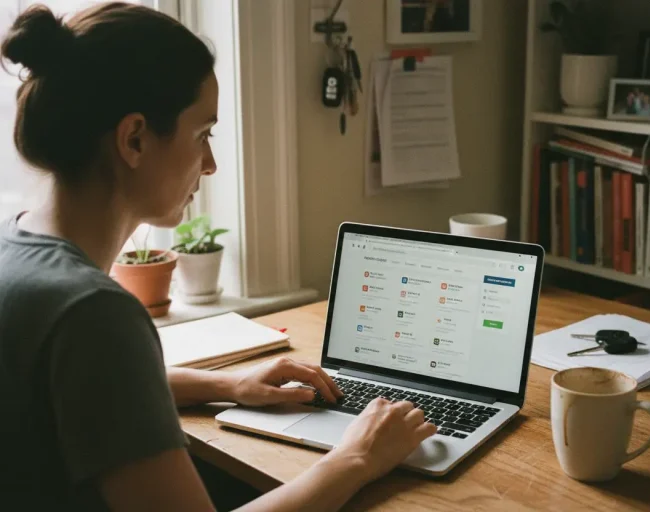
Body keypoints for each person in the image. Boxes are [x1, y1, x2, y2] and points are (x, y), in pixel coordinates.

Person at [0, 3, 436, 511]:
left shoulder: (18, 250)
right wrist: (357, 457)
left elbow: (87, 393)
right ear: (134, 138)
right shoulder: (92, 313)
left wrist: (230, 384)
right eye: (202, 134)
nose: (210, 165)